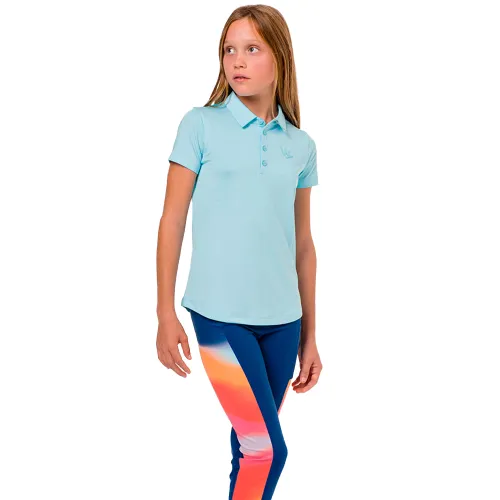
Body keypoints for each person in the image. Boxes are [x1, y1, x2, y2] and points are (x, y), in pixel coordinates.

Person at [156, 5, 323, 499]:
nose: (238, 60)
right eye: (229, 50)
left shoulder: (301, 145)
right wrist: (164, 312)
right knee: (265, 450)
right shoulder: (200, 125)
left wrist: (310, 335)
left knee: (248, 449)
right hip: (219, 317)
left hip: (283, 323)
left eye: (252, 49)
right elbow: (171, 221)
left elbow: (303, 244)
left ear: (280, 58)